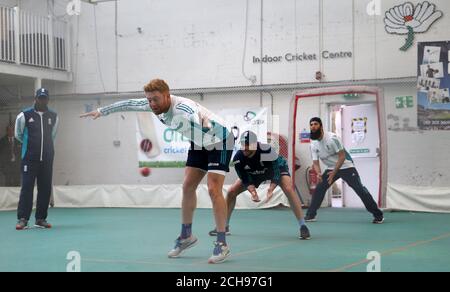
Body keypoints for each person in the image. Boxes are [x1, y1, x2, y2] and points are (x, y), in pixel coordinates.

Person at [80, 79, 234, 264]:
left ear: (168, 96)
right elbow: (128, 104)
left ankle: (222, 243)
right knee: (187, 186)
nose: (152, 104)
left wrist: (201, 121)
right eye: (149, 100)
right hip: (199, 141)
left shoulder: (182, 108)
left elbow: (193, 113)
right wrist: (101, 111)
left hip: (219, 139)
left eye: (156, 99)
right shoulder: (152, 105)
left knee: (213, 189)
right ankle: (186, 236)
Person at [208, 131, 311, 240]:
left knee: (289, 189)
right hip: (254, 173)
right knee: (231, 192)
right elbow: (245, 178)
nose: (244, 147)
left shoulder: (267, 151)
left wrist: (271, 189)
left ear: (255, 144)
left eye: (247, 144)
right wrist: (253, 192)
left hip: (276, 169)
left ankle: (303, 225)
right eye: (243, 144)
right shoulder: (238, 157)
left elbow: (276, 172)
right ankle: (225, 226)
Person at [304, 117, 384, 224]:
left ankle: (378, 215)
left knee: (359, 189)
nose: (313, 126)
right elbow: (315, 162)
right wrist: (318, 173)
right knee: (319, 189)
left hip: (346, 166)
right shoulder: (313, 144)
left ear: (321, 126)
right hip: (330, 168)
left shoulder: (332, 138)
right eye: (311, 124)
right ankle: (310, 215)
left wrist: (334, 172)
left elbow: (342, 157)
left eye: (315, 124)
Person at [15, 88, 59, 230]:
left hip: (47, 158)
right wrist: (30, 147)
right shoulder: (24, 115)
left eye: (45, 98)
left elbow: (53, 135)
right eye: (40, 98)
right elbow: (18, 134)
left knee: (45, 188)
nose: (42, 100)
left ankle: (40, 219)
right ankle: (23, 219)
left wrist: (45, 150)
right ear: (35, 99)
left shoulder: (54, 116)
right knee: (27, 188)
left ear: (48, 99)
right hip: (29, 158)